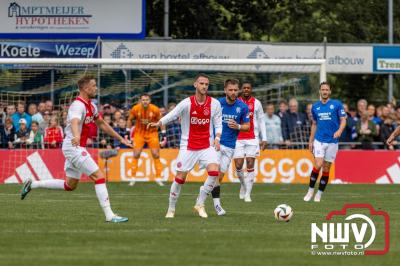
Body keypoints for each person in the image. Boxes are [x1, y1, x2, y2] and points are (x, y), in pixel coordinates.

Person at [21, 75, 132, 223]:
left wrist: (120, 138)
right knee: (99, 177)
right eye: (94, 85)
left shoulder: (91, 106)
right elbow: (74, 121)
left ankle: (32, 184)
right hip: (73, 146)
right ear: (86, 88)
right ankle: (110, 215)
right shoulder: (77, 105)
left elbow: (102, 124)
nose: (96, 88)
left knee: (70, 185)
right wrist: (76, 135)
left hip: (75, 145)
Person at [147, 73, 222, 218]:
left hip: (207, 146)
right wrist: (159, 123)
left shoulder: (215, 104)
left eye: (206, 84)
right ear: (195, 84)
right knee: (180, 178)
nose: (204, 86)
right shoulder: (186, 103)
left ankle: (200, 203)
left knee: (214, 172)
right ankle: (171, 209)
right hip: (188, 146)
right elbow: (172, 114)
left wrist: (217, 138)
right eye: (201, 83)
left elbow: (218, 124)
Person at [209, 79, 250, 216]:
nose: (233, 92)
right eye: (230, 90)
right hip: (215, 144)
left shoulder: (242, 107)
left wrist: (238, 126)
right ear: (225, 90)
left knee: (219, 177)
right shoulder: (217, 104)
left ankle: (202, 196)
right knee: (215, 175)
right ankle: (217, 205)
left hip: (230, 146)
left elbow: (247, 126)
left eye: (235, 90)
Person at [304, 82, 346, 202]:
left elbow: (343, 120)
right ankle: (310, 191)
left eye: (327, 90)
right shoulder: (315, 107)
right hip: (319, 140)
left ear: (330, 91)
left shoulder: (337, 104)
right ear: (320, 91)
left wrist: (339, 131)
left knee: (326, 168)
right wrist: (311, 140)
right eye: (323, 89)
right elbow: (314, 124)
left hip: (332, 141)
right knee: (318, 164)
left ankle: (319, 193)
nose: (325, 92)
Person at [233, 82, 267, 202]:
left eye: (248, 88)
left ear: (251, 89)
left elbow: (261, 120)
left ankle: (248, 194)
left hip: (253, 137)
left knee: (250, 163)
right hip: (238, 137)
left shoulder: (257, 103)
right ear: (241, 90)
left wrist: (264, 138)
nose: (246, 89)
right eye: (244, 88)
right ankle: (243, 184)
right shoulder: (236, 102)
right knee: (238, 165)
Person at [127, 94, 166, 186]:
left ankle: (158, 177)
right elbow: (129, 120)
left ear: (150, 100)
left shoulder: (155, 109)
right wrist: (127, 132)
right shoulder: (135, 108)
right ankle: (132, 177)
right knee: (136, 154)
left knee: (156, 154)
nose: (145, 101)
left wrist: (163, 133)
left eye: (147, 100)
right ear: (140, 100)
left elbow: (161, 121)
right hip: (139, 134)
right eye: (143, 100)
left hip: (152, 133)